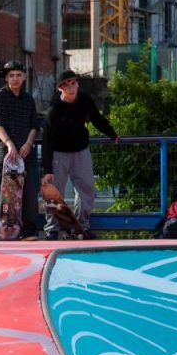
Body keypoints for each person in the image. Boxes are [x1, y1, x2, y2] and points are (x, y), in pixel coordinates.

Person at [41, 70, 119, 240]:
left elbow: (97, 118)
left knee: (87, 189)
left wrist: (112, 134)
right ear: (60, 89)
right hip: (59, 153)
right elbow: (46, 138)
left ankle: (81, 226)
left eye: (73, 83)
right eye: (66, 85)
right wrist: (47, 168)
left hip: (80, 151)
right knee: (55, 192)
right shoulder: (54, 109)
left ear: (77, 84)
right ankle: (52, 229)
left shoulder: (84, 100)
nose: (71, 88)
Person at [0, 60, 40, 240]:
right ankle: (9, 232)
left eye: (18, 75)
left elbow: (34, 125)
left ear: (24, 77)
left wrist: (28, 143)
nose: (15, 79)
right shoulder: (0, 96)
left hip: (26, 151)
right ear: (6, 79)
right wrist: (9, 144)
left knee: (30, 193)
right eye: (11, 76)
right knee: (9, 194)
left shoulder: (29, 99)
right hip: (6, 152)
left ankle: (29, 231)